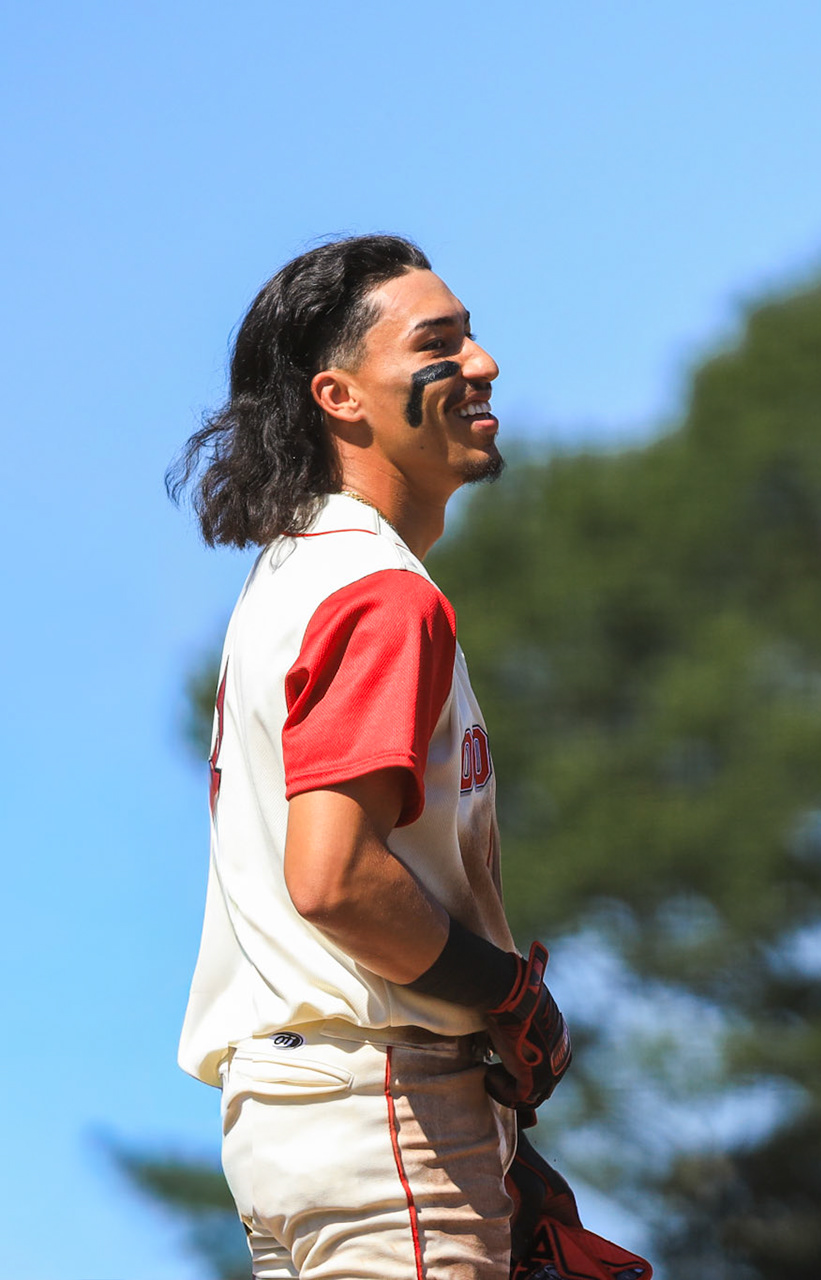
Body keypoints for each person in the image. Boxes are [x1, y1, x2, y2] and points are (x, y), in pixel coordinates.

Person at [170, 235, 571, 1280]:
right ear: (340, 397)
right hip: (385, 1105)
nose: (482, 362)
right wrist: (507, 996)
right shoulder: (381, 591)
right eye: (439, 344)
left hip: (297, 1117)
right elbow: (336, 877)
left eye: (471, 335)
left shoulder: (290, 576)